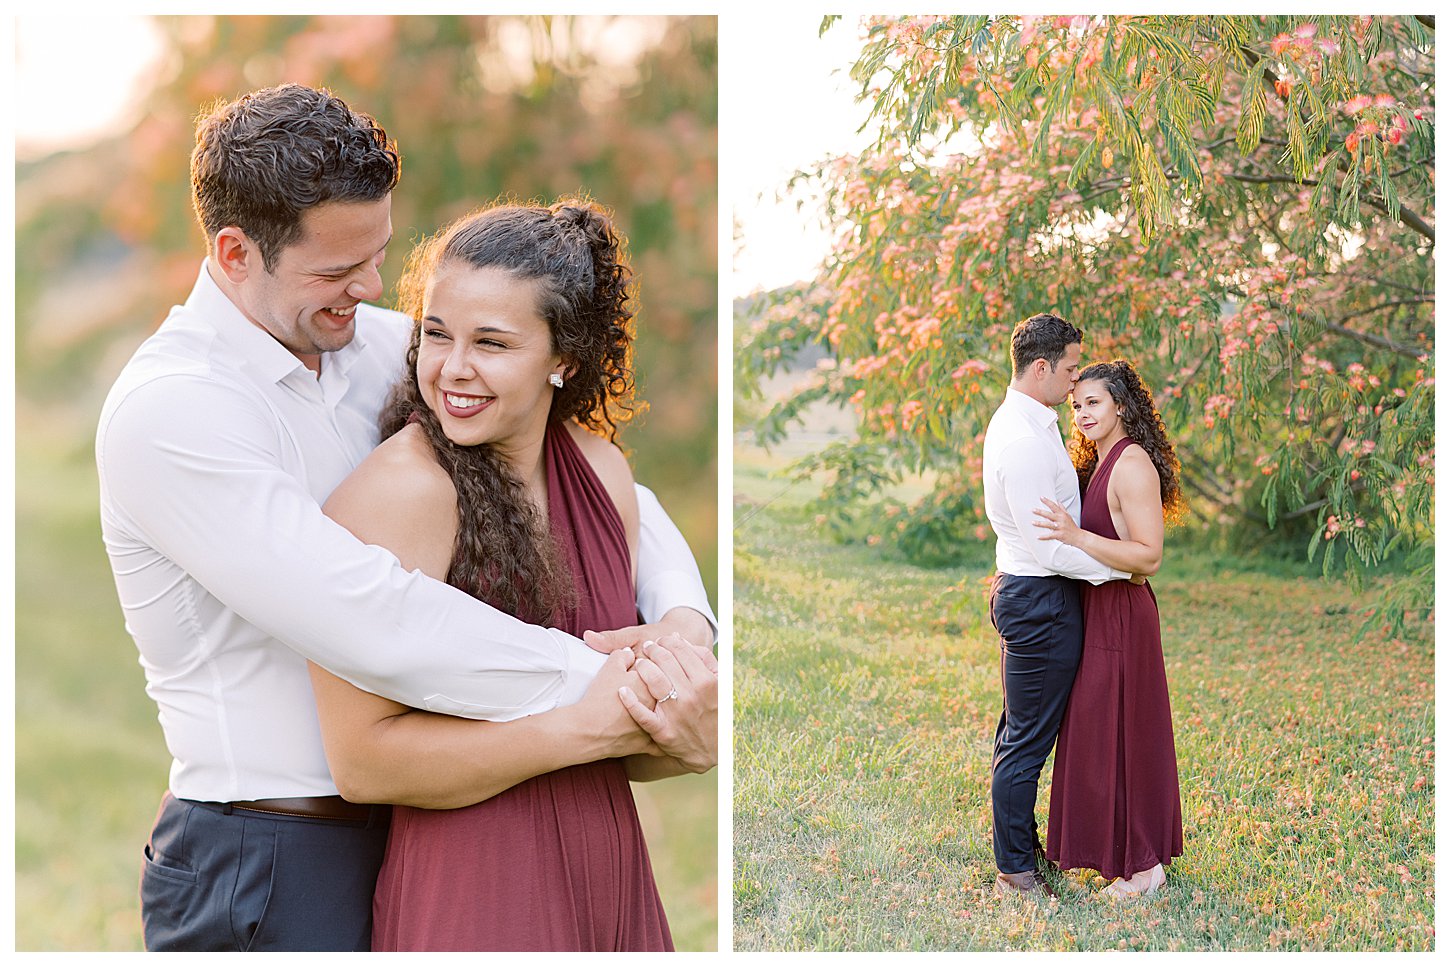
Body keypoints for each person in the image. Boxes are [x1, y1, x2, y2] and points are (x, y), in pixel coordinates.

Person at [95, 84, 716, 952]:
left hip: (427, 821)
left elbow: (599, 480)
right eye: (337, 268)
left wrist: (684, 626)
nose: (373, 288)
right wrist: (609, 686)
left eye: (378, 253)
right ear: (236, 252)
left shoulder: (385, 344)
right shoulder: (173, 412)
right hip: (269, 854)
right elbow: (372, 616)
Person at [308, 197, 706, 951]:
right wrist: (579, 729)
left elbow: (627, 743)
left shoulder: (601, 471)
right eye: (435, 334)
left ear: (564, 358)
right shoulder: (402, 494)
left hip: (607, 864)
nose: (453, 369)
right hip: (476, 885)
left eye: (491, 342)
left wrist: (682, 732)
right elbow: (362, 761)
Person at [980, 313, 1135, 898]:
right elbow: (1049, 545)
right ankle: (1016, 871)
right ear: (1041, 367)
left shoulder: (1036, 421)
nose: (1075, 383)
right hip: (1040, 597)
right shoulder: (1020, 438)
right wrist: (1122, 567)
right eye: (1071, 369)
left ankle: (1022, 851)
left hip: (1041, 593)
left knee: (1020, 733)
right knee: (1025, 741)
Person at [1033, 359, 1185, 897]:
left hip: (1123, 614)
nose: (1082, 413)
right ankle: (1122, 857)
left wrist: (1076, 538)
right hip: (1095, 612)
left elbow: (1149, 556)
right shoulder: (1095, 461)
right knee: (1101, 736)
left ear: (1121, 404)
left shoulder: (1132, 463)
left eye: (1093, 402)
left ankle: (1144, 867)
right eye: (1076, 405)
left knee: (1127, 735)